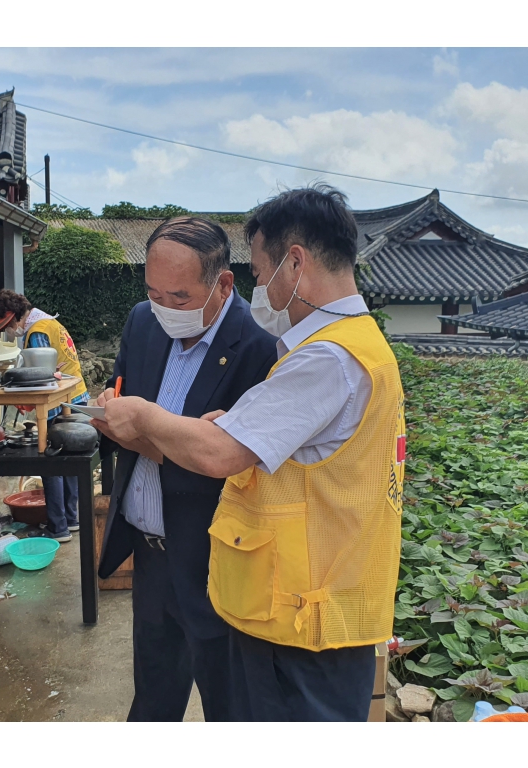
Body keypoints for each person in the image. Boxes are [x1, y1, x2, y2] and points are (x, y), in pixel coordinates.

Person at [96, 185, 405, 722]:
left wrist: (144, 418)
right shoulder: (356, 346)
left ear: (296, 262)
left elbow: (219, 455)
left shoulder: (326, 359)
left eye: (261, 271)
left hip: (302, 612)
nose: (260, 286)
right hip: (317, 599)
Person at [92, 218, 276, 721]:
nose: (165, 308)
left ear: (223, 284)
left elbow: (227, 462)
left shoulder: (259, 345)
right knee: (153, 699)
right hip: (149, 551)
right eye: (154, 293)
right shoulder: (143, 321)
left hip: (215, 557)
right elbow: (122, 395)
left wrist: (143, 429)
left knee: (229, 706)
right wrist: (111, 406)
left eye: (179, 297)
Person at [0, 289, 89, 543]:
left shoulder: (37, 331)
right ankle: (71, 518)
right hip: (77, 397)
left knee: (50, 462)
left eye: (6, 327)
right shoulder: (49, 322)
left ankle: (58, 527)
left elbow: (41, 377)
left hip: (58, 402)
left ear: (13, 317)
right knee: (68, 461)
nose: (8, 332)